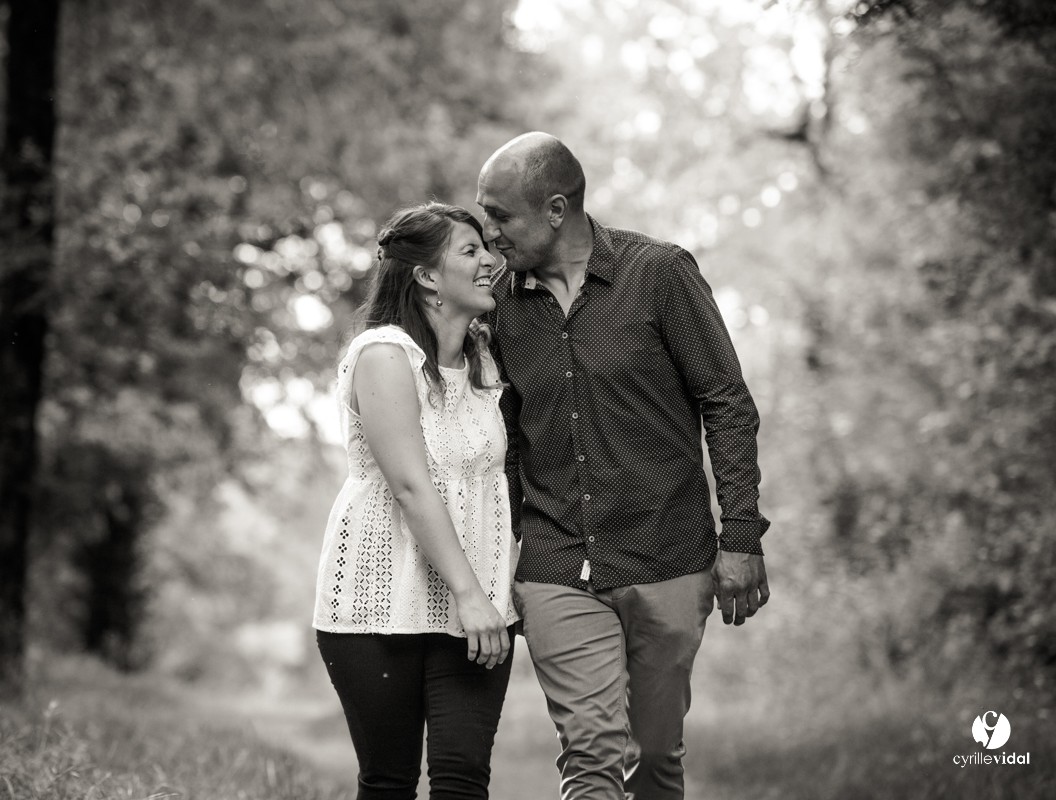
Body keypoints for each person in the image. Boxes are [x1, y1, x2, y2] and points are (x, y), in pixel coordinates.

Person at [476, 132, 772, 800]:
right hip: (556, 563)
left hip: (667, 553)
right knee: (590, 754)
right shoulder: (498, 304)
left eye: (500, 216)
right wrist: (502, 548)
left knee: (656, 756)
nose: (489, 232)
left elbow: (726, 402)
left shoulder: (659, 274)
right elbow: (506, 437)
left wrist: (741, 536)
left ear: (556, 209)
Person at [312, 201, 519, 800]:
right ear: (427, 276)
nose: (490, 261)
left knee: (463, 781)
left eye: (487, 249)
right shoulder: (384, 354)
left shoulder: (488, 362)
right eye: (471, 251)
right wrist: (471, 595)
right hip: (377, 604)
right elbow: (410, 486)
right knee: (389, 782)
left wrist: (497, 591)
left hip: (478, 608)